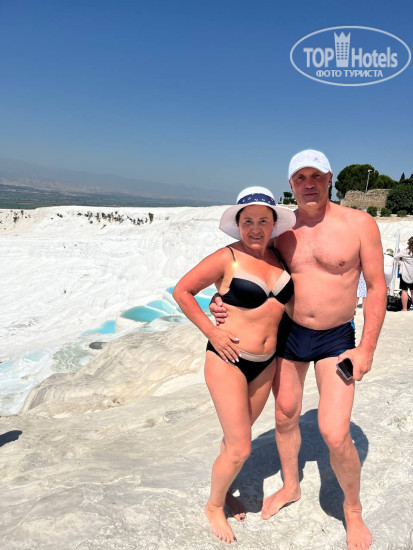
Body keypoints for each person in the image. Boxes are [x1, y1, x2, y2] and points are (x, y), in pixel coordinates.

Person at [210, 150, 387, 550]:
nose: (309, 184)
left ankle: (352, 511)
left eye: (316, 176)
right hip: (289, 334)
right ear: (290, 184)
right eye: (300, 178)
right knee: (286, 414)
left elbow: (377, 287)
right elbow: (243, 267)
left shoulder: (359, 224)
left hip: (335, 338)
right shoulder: (280, 230)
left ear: (330, 178)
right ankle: (291, 486)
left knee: (334, 432)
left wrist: (366, 349)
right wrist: (219, 301)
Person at [173, 187, 296, 544]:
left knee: (233, 439)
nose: (255, 228)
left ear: (273, 224)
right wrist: (212, 330)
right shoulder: (227, 258)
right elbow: (182, 291)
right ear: (238, 225)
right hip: (228, 360)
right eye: (248, 222)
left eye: (263, 221)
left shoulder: (279, 257)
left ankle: (224, 487)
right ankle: (214, 505)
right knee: (242, 446)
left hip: (265, 364)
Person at [394, 237, 413, 311]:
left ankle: (404, 308)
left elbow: (396, 256)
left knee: (404, 290)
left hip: (405, 273)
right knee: (412, 291)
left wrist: (401, 263)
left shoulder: (405, 252)